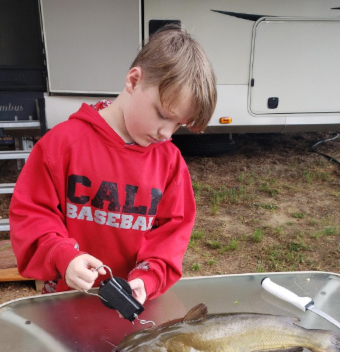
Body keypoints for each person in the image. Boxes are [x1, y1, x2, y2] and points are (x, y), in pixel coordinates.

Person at [10, 25, 217, 305]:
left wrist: (148, 278)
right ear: (133, 81)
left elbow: (171, 233)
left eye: (178, 124)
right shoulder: (61, 145)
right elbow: (32, 214)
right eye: (162, 115)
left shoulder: (170, 162)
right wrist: (63, 256)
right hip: (66, 300)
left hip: (132, 306)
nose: (166, 133)